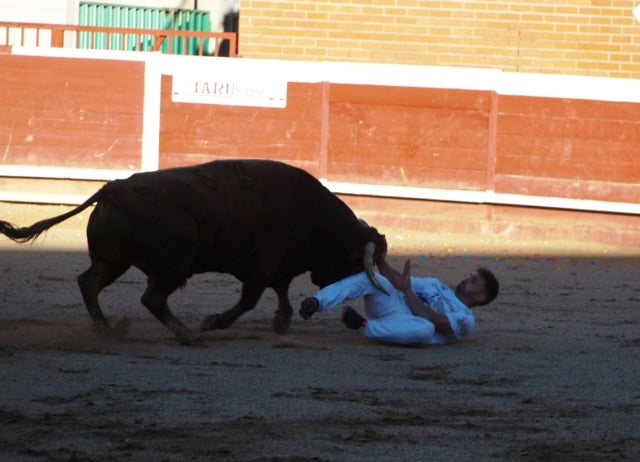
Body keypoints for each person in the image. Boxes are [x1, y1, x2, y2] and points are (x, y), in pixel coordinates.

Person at [299, 257, 499, 345]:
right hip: (393, 309)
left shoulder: (467, 320)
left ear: (481, 297)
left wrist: (408, 292)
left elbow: (438, 323)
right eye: (469, 276)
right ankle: (317, 302)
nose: (466, 279)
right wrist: (380, 259)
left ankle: (364, 326)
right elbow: (399, 282)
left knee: (426, 328)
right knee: (376, 279)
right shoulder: (436, 284)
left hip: (406, 326)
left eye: (474, 281)